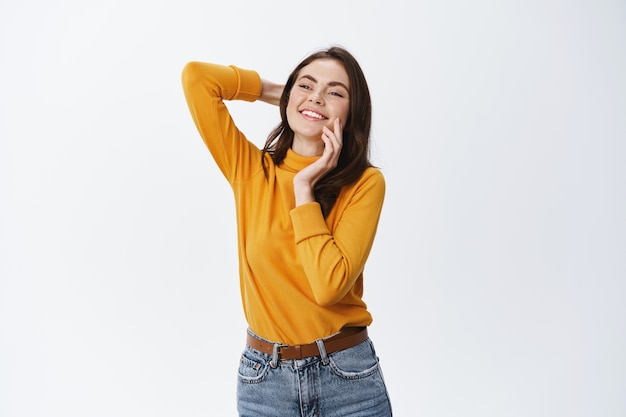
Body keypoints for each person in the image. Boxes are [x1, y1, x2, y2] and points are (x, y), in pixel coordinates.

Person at [181, 46, 392, 416]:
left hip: (347, 378)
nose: (317, 96)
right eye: (307, 85)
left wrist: (304, 189)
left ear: (352, 113)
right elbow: (197, 78)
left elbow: (329, 286)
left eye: (335, 92)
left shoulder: (365, 184)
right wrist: (280, 94)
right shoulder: (251, 171)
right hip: (265, 381)